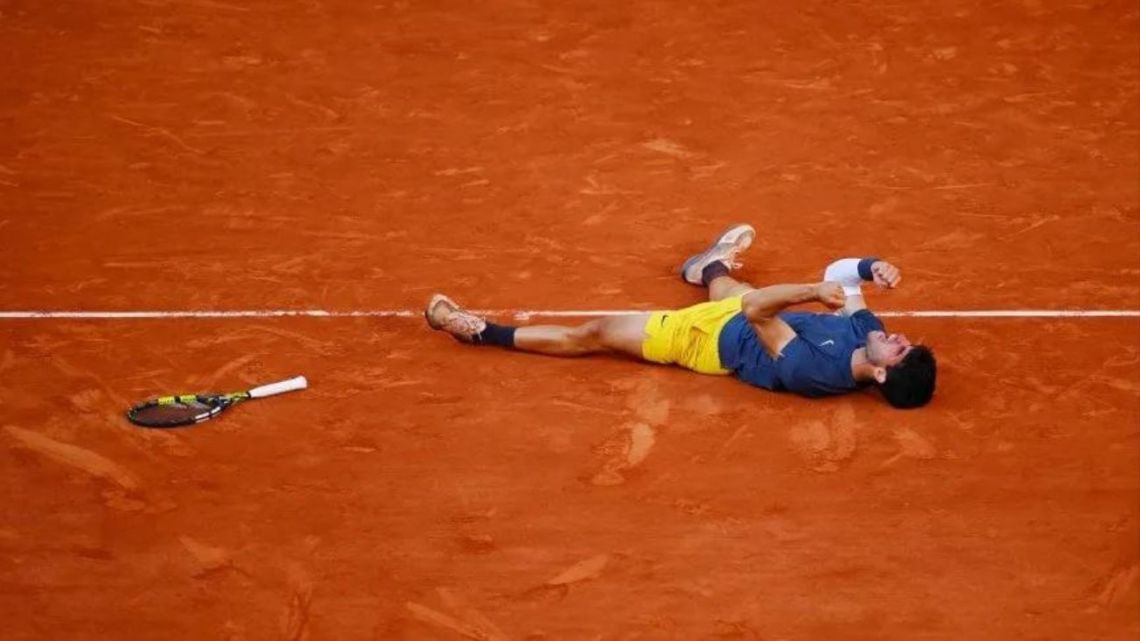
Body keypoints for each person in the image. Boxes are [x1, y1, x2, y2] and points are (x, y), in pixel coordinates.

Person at [424, 224, 936, 408]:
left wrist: (810, 289)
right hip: (740, 312)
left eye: (901, 348)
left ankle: (481, 333)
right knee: (731, 287)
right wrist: (871, 268)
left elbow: (760, 310)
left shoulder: (813, 373)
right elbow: (841, 276)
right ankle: (707, 265)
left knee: (597, 333)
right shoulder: (869, 332)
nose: (900, 335)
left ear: (883, 371)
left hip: (705, 343)